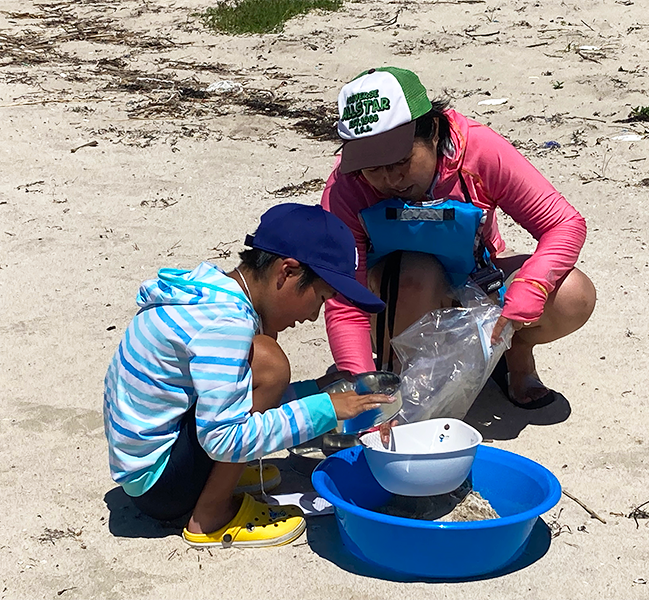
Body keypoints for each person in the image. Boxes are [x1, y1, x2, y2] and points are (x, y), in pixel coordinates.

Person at [103, 203, 391, 548]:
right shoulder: (228, 323)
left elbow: (228, 393)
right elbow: (222, 439)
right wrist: (326, 410)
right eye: (321, 298)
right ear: (287, 272)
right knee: (269, 363)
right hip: (161, 486)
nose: (314, 316)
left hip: (144, 464)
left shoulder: (211, 295)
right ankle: (211, 516)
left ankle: (217, 479)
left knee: (262, 359)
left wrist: (313, 391)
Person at [321, 67, 596, 408]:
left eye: (401, 161)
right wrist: (363, 387)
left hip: (476, 280)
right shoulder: (345, 186)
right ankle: (395, 376)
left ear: (434, 132)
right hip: (390, 300)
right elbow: (345, 300)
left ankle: (515, 349)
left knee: (572, 295)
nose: (390, 179)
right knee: (417, 272)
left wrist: (532, 286)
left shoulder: (479, 149)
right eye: (373, 168)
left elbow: (564, 223)